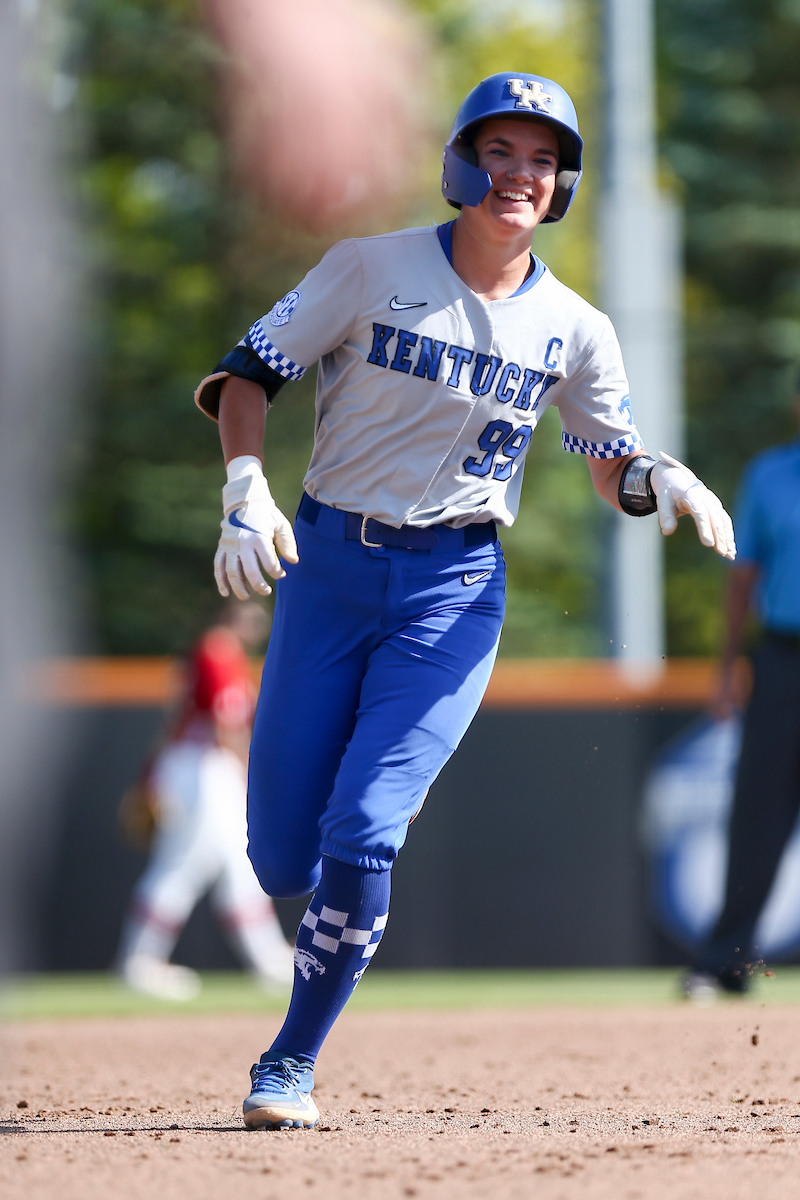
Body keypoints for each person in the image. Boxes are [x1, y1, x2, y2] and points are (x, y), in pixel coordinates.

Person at [193, 72, 735, 1128]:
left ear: (560, 182)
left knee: (362, 829)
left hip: (452, 586)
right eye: (499, 151)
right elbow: (249, 374)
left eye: (540, 158)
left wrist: (656, 476)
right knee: (277, 859)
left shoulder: (575, 328)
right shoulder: (368, 267)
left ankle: (287, 1063)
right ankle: (326, 902)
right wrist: (244, 484)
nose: (518, 175)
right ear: (460, 162)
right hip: (329, 567)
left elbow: (603, 459)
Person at [684, 374, 800, 1001]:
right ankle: (724, 957)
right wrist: (728, 668)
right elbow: (743, 578)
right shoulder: (771, 475)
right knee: (759, 811)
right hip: (783, 658)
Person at [116, 600, 295, 1001]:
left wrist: (150, 775)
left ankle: (269, 960)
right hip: (203, 766)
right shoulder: (218, 650)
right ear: (228, 615)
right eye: (250, 615)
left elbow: (175, 721)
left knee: (237, 865)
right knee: (181, 864)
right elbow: (225, 727)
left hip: (197, 765)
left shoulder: (210, 652)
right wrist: (254, 778)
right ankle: (139, 962)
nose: (257, 623)